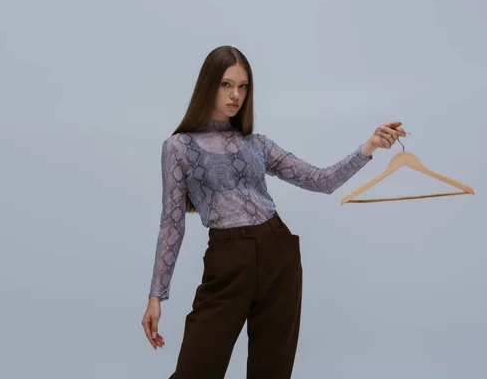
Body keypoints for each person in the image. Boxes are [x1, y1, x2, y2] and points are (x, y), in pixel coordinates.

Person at [141, 45, 406, 378]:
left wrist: (368, 147)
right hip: (228, 259)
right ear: (207, 84)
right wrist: (156, 295)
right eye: (226, 84)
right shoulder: (178, 147)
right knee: (197, 368)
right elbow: (171, 223)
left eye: (243, 86)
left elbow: (321, 180)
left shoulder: (257, 144)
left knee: (273, 371)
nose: (235, 95)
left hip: (278, 252)